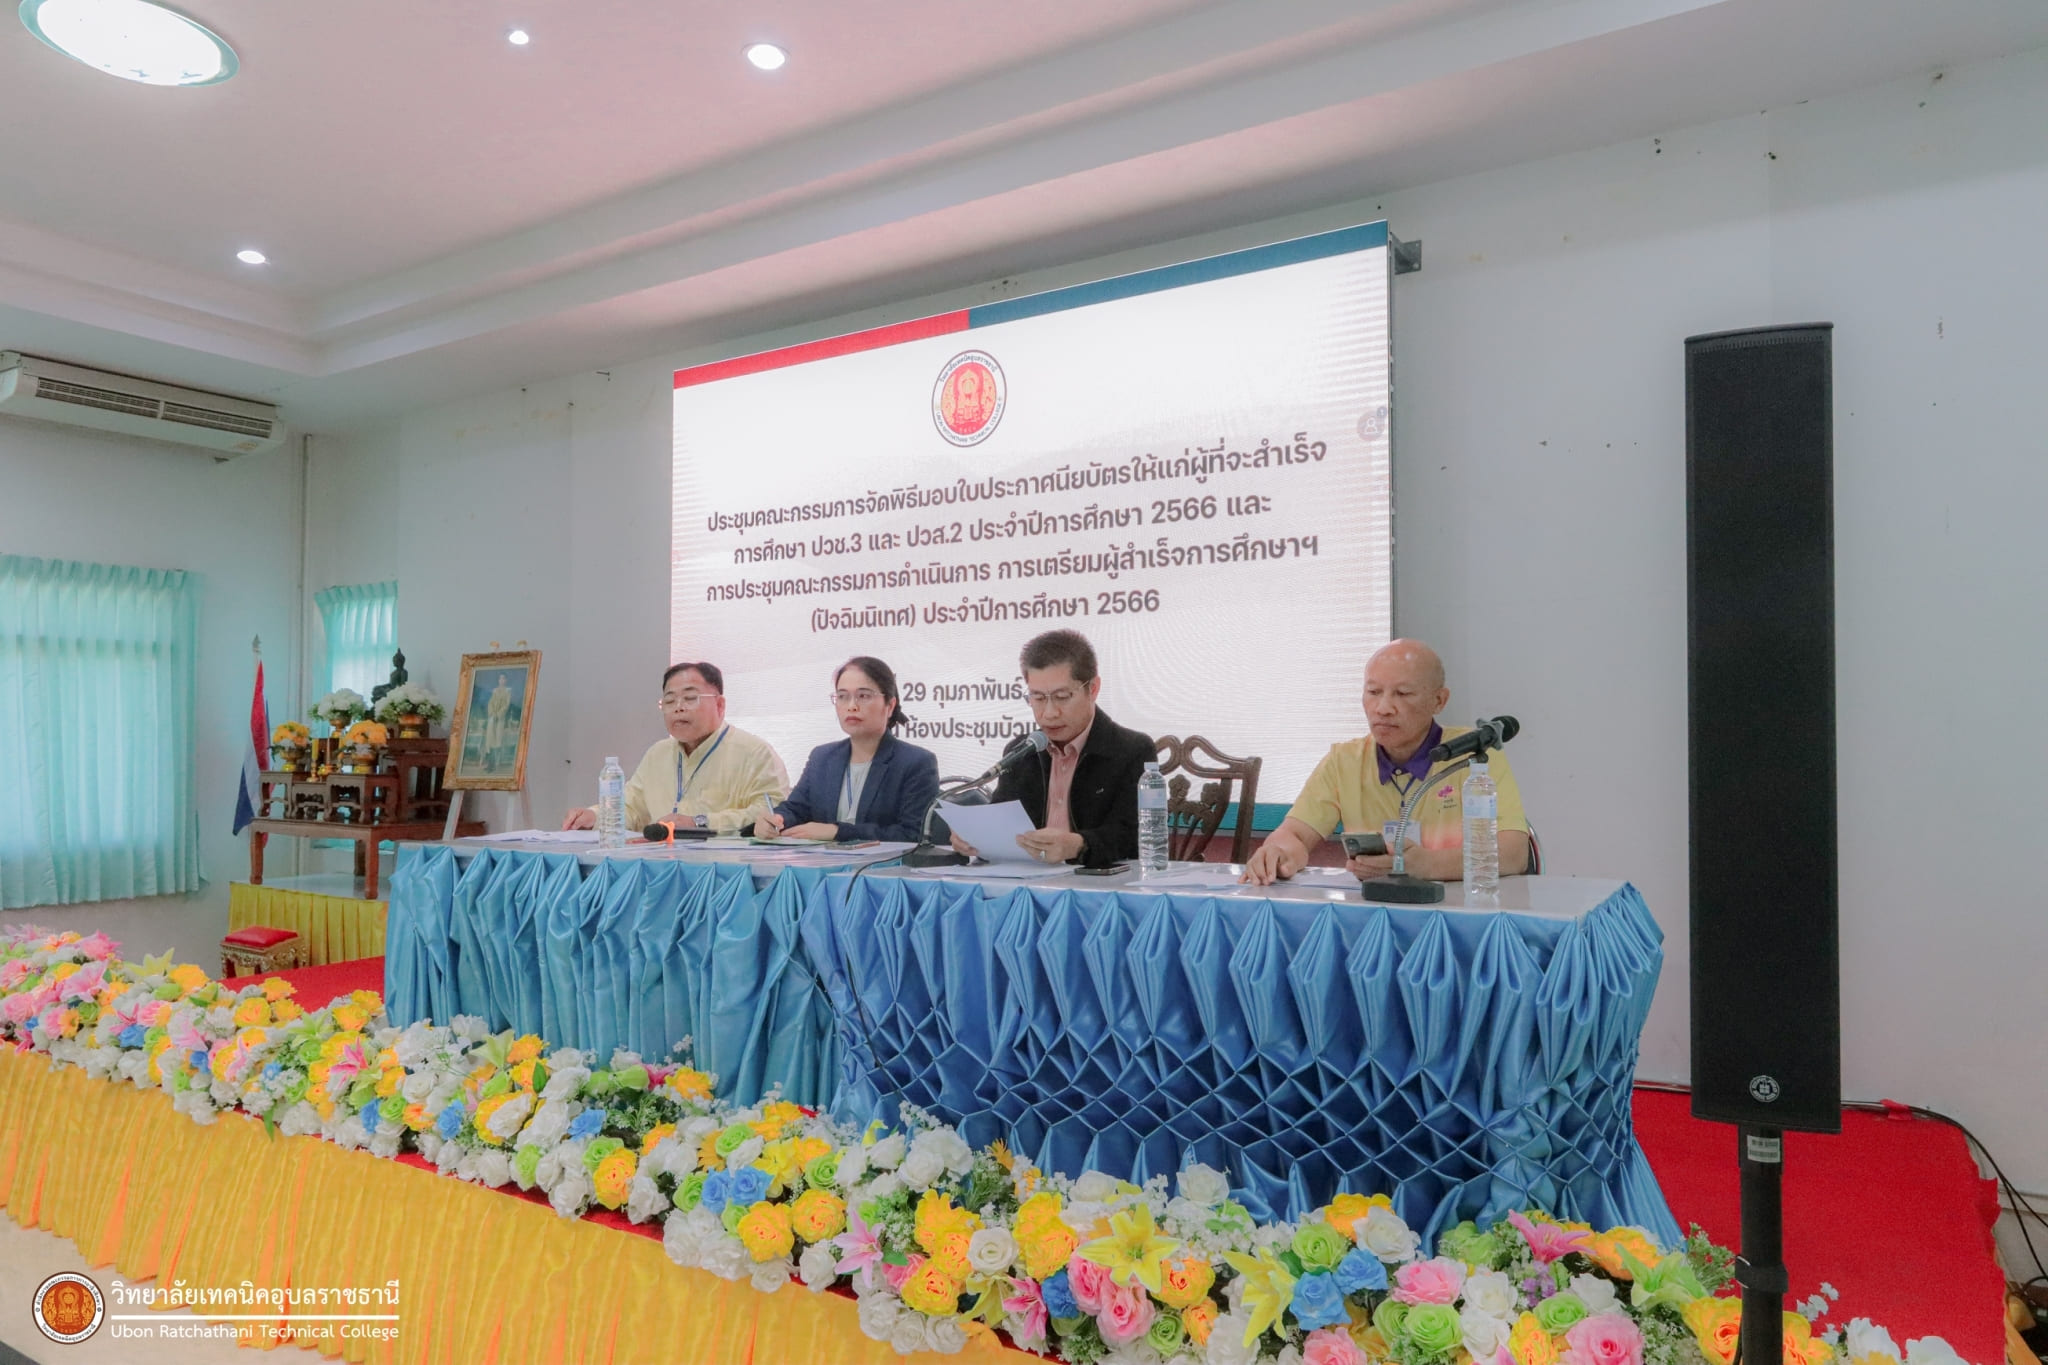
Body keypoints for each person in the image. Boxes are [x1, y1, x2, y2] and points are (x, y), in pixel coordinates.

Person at [1242, 638, 1531, 886]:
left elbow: (1514, 853)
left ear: (1439, 701)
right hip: (1373, 912)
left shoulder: (1474, 755)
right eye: (1373, 692)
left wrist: (1427, 865)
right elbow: (1294, 834)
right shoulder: (1344, 761)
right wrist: (1277, 852)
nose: (1383, 708)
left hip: (1455, 912)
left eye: (1402, 694)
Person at [951, 628, 1154, 868]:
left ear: (1093, 689)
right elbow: (1001, 826)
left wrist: (1079, 845)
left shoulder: (1131, 750)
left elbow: (1136, 836)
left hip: (1096, 883)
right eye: (1037, 698)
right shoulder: (1021, 751)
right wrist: (976, 837)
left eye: (1062, 697)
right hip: (1024, 881)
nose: (1049, 713)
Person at [562, 661, 788, 834]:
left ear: (720, 705)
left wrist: (699, 823)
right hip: (662, 865)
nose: (678, 708)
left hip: (725, 870)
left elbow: (772, 815)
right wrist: (594, 816)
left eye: (690, 698)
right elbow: (632, 808)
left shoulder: (754, 753)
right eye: (669, 701)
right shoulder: (658, 754)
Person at [754, 657, 941, 844]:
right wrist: (776, 820)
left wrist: (838, 832)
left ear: (890, 706)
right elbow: (796, 809)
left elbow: (912, 834)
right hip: (820, 861)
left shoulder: (916, 762)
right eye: (842, 696)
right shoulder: (822, 757)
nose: (852, 706)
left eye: (863, 696)